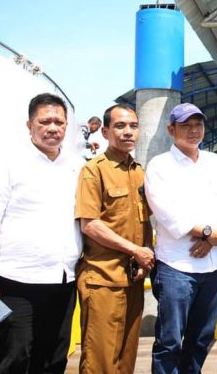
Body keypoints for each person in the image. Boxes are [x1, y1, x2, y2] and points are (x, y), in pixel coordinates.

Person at [145, 102, 217, 373]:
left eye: (198, 124)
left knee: (202, 337)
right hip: (176, 264)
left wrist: (212, 237)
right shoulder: (159, 165)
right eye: (186, 125)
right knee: (170, 340)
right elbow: (165, 210)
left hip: (213, 264)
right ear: (171, 129)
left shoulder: (216, 162)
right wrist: (208, 233)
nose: (193, 130)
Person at [0, 93, 83, 374]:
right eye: (45, 122)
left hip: (62, 280)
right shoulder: (8, 163)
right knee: (14, 355)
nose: (52, 128)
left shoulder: (78, 166)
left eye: (59, 122)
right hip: (14, 281)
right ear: (29, 125)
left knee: (54, 357)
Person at [75, 104, 154, 374]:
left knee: (126, 359)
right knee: (100, 362)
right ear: (105, 132)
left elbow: (147, 220)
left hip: (133, 279)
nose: (128, 132)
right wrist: (135, 250)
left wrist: (144, 256)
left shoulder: (139, 172)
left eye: (133, 126)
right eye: (120, 126)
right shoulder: (94, 170)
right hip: (103, 279)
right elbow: (90, 224)